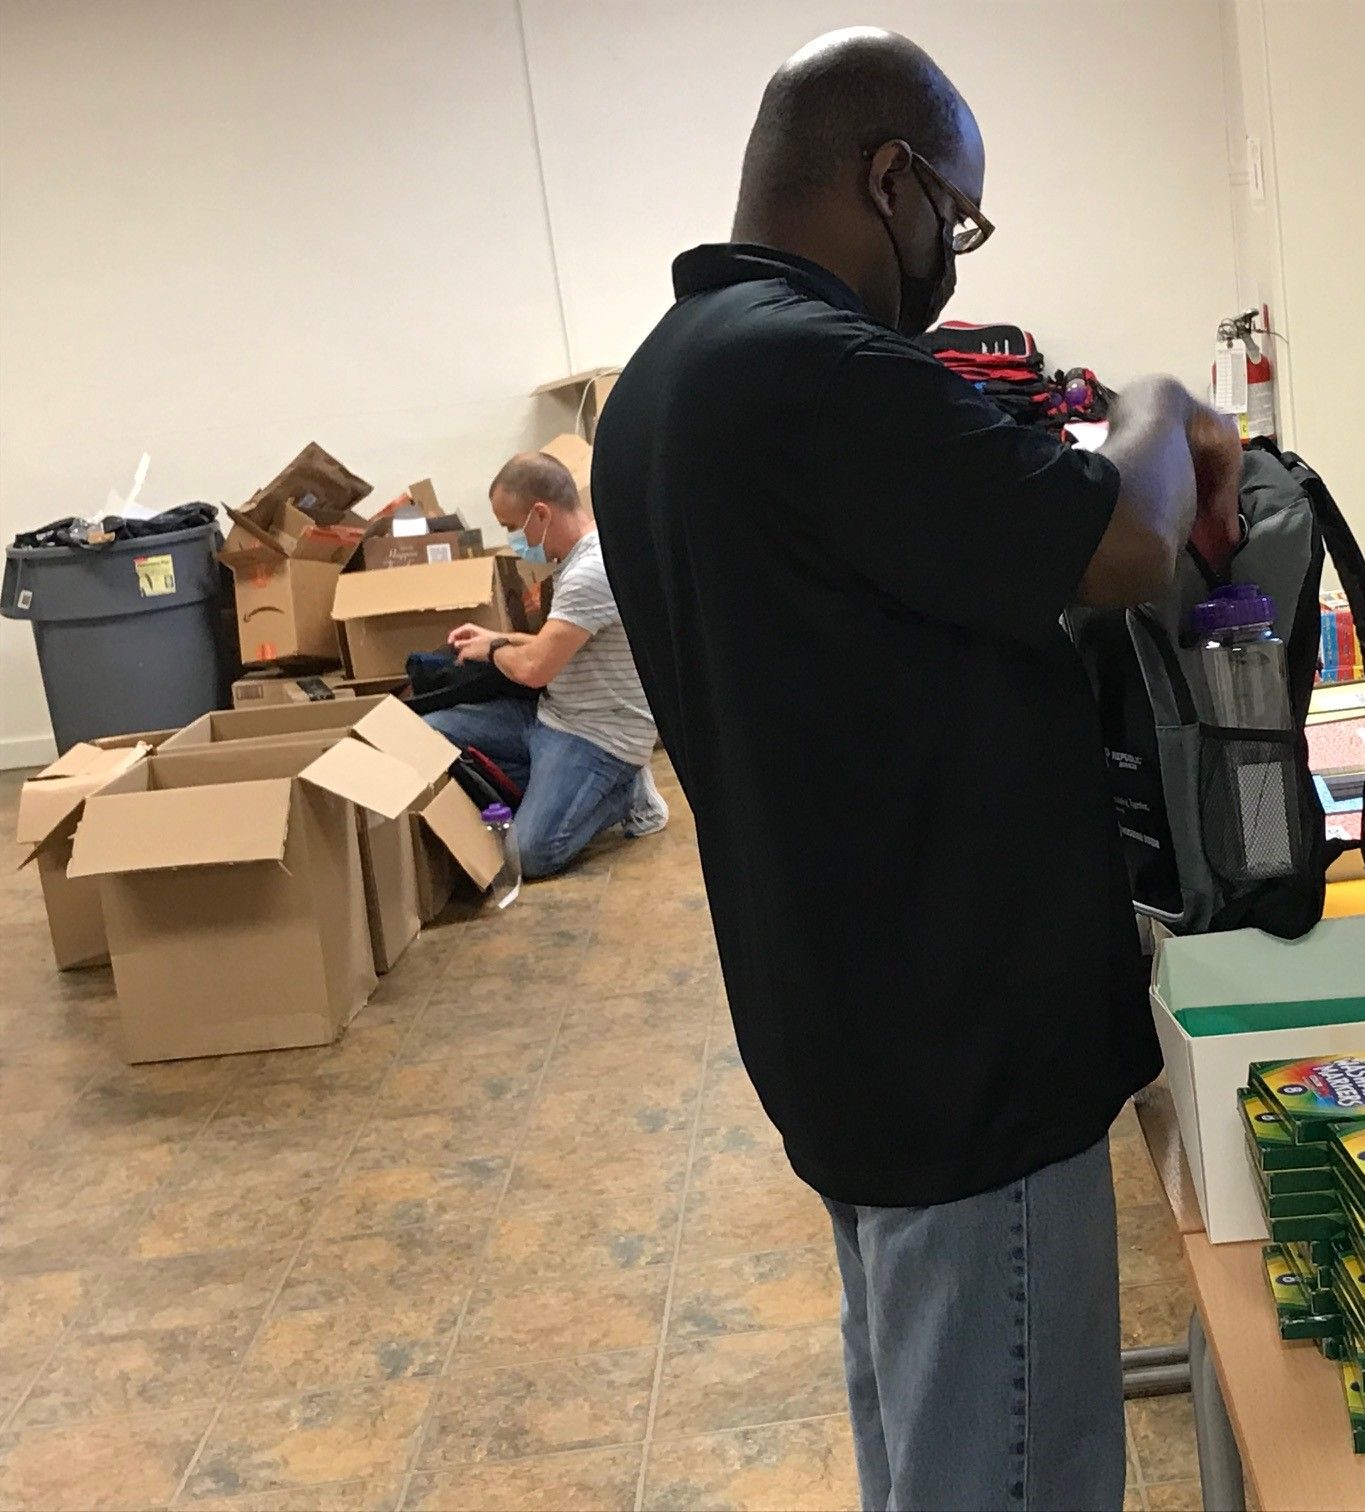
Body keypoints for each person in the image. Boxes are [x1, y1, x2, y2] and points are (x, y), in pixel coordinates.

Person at [593, 27, 1241, 1512]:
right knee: (1012, 1474)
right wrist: (1160, 404)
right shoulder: (815, 376)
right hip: (964, 1052)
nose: (953, 254)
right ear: (891, 179)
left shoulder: (663, 384)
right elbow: (1129, 546)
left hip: (847, 1020)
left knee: (935, 1456)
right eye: (956, 216)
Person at [426, 450, 667, 878]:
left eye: (510, 527)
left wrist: (494, 650)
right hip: (553, 718)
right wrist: (495, 638)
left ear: (540, 513)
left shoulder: (591, 571)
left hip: (599, 737)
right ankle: (560, 788)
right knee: (429, 734)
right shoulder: (576, 558)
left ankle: (627, 791)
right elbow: (556, 644)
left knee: (530, 853)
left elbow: (535, 668)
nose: (513, 539)